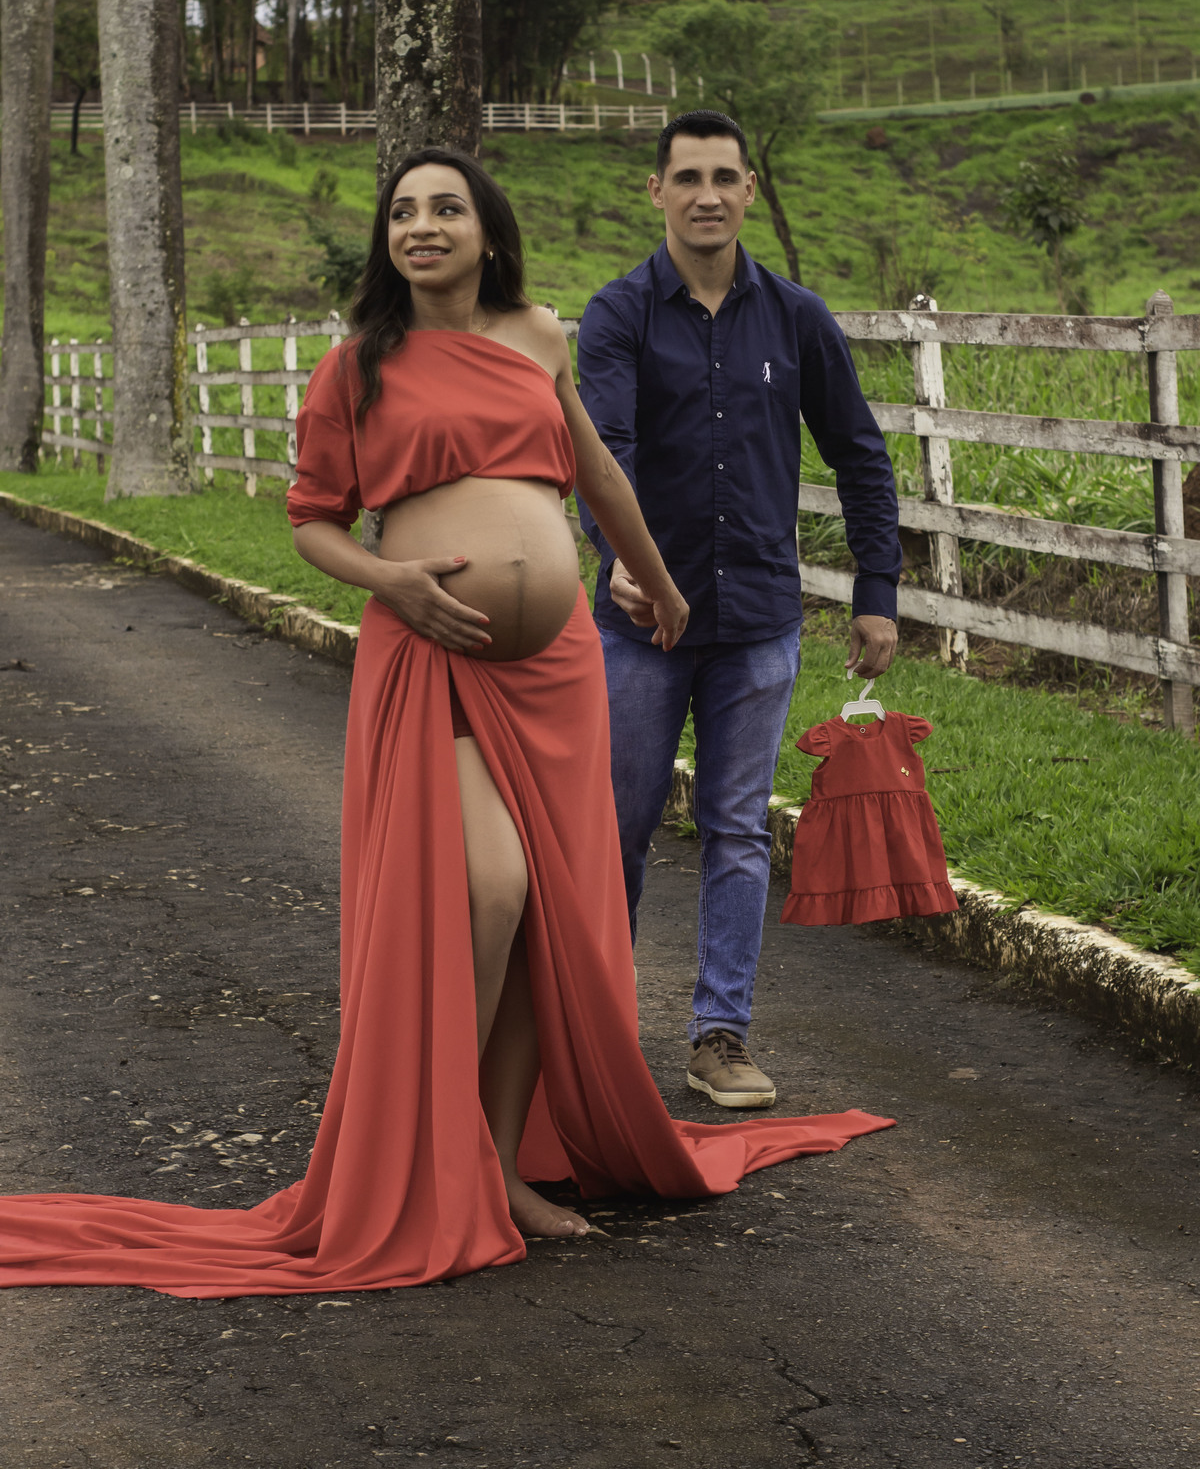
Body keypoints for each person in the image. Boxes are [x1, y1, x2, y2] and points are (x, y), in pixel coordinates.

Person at [0, 146, 891, 1297]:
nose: (422, 226)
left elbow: (597, 475)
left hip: (558, 669)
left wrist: (657, 581)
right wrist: (391, 581)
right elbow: (313, 518)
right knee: (491, 889)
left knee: (548, 922)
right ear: (388, 240)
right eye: (404, 212)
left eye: (446, 208)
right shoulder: (356, 365)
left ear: (487, 229)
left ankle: (507, 1165)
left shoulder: (539, 335)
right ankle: (446, 1154)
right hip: (436, 665)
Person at [577, 110, 902, 1112]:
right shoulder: (619, 313)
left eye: (725, 177)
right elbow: (603, 451)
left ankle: (720, 1036)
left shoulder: (796, 317)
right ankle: (597, 1036)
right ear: (658, 192)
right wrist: (622, 560)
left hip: (759, 617)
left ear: (749, 190)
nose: (707, 195)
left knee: (735, 827)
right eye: (688, 178)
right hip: (640, 629)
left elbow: (859, 451)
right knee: (616, 829)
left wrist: (877, 592)